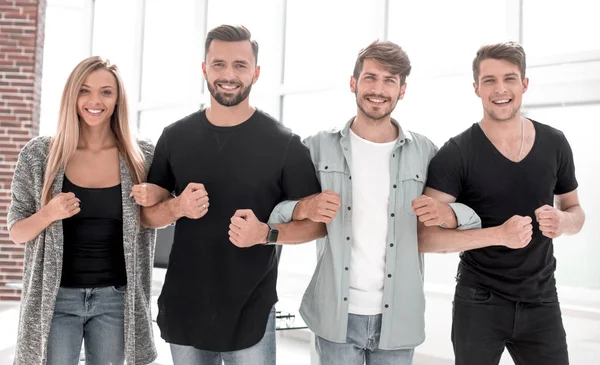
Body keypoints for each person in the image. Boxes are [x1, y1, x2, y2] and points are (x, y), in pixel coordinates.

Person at [240, 40, 481, 365]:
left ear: (402, 89)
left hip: (398, 317)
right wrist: (303, 208)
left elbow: (472, 216)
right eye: (370, 77)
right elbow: (275, 210)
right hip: (335, 315)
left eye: (389, 80)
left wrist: (446, 212)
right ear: (353, 83)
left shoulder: (426, 153)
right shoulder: (315, 148)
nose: (378, 89)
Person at [140, 24, 323, 365]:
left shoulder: (284, 143)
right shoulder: (174, 136)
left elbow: (316, 225)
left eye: (240, 65)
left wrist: (266, 234)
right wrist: (177, 207)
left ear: (255, 72)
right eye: (219, 63)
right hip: (186, 304)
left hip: (250, 307)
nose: (228, 74)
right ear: (204, 68)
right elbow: (148, 216)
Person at [421, 41, 586, 365]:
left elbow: (575, 211)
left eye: (509, 78)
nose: (500, 89)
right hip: (479, 301)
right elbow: (424, 238)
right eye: (489, 80)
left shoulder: (555, 142)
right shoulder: (456, 152)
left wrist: (564, 222)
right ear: (476, 88)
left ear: (524, 84)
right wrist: (498, 235)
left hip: (542, 300)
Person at [7, 56, 167, 365]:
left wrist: (159, 193)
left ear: (118, 98)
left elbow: (161, 210)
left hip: (116, 299)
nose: (95, 100)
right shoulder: (40, 155)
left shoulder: (141, 155)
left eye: (106, 92)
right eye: (84, 90)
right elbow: (17, 232)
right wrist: (48, 213)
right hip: (56, 301)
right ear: (72, 95)